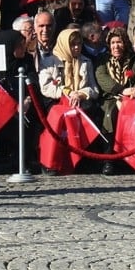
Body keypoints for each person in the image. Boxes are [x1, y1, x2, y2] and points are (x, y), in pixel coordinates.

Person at [38, 29, 100, 173]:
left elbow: (93, 89)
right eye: (72, 45)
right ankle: (52, 161)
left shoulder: (86, 62)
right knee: (57, 116)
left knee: (87, 113)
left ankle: (80, 159)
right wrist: (67, 92)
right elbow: (46, 87)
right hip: (57, 100)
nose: (76, 48)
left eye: (79, 44)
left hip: (80, 101)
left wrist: (81, 93)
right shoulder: (49, 62)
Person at [95, 27, 135, 175]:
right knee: (111, 114)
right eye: (113, 43)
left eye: (119, 42)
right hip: (111, 97)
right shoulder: (103, 60)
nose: (116, 46)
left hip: (133, 97)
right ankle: (109, 159)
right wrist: (121, 90)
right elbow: (102, 78)